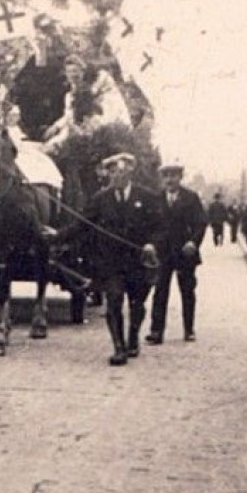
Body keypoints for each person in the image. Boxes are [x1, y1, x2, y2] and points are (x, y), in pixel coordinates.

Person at [53, 151, 160, 366]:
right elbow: (82, 224)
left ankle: (133, 336)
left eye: (122, 171)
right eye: (113, 171)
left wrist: (152, 244)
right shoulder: (101, 199)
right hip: (111, 263)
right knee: (114, 301)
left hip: (139, 262)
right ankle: (118, 348)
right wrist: (57, 236)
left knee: (137, 304)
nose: (117, 175)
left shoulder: (147, 197)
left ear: (131, 171)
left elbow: (159, 226)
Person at [146, 160, 207, 344]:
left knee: (187, 291)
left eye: (173, 175)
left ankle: (189, 329)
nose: (169, 179)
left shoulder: (191, 197)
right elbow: (149, 225)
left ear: (180, 177)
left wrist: (193, 242)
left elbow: (201, 223)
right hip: (163, 253)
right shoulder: (156, 199)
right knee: (160, 291)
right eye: (166, 176)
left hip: (184, 252)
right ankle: (156, 331)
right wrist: (150, 244)